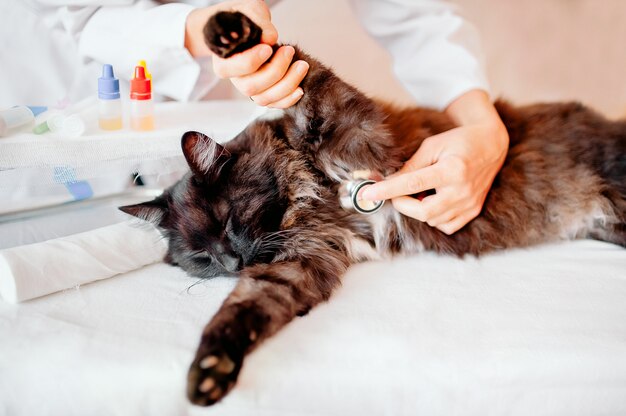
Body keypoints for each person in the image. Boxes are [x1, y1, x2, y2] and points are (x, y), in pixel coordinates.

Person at [1, 0, 508, 235]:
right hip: (53, 91)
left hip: (195, 90)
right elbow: (84, 17)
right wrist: (196, 28)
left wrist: (482, 127)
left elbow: (415, 15)